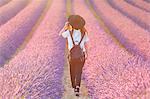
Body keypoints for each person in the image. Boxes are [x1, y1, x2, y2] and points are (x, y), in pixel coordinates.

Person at [59, 15, 89, 96]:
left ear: (71, 24)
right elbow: (85, 45)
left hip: (72, 56)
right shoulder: (84, 33)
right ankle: (77, 88)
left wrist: (65, 27)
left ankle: (73, 85)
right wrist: (86, 54)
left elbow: (60, 34)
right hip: (81, 56)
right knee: (79, 72)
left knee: (72, 70)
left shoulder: (68, 32)